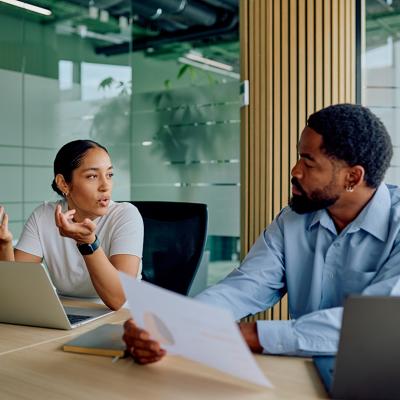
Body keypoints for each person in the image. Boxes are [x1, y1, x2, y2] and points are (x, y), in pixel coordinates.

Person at [122, 103, 400, 363]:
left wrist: (244, 335)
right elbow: (243, 287)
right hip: (304, 368)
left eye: (308, 162)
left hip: (378, 369)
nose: (295, 170)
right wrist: (177, 322)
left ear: (352, 177)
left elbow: (373, 325)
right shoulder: (294, 220)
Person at [0, 139, 143, 310]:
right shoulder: (43, 215)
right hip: (64, 311)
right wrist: (4, 246)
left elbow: (118, 299)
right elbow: (16, 289)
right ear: (63, 183)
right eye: (92, 176)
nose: (106, 186)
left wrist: (88, 242)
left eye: (109, 175)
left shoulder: (126, 214)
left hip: (123, 316)